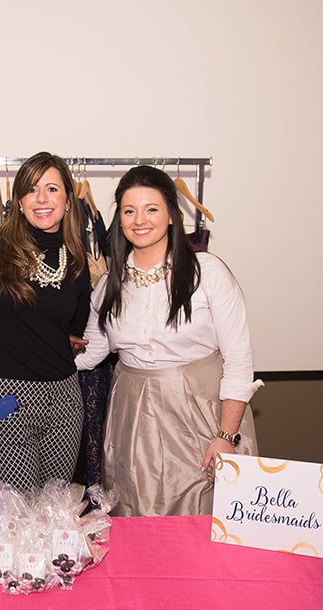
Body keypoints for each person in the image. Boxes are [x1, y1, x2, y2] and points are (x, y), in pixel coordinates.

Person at [75, 165, 261, 516]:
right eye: (129, 211)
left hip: (201, 414)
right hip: (133, 417)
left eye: (151, 209)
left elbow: (239, 361)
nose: (139, 220)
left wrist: (227, 435)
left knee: (203, 511)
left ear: (172, 216)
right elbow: (90, 353)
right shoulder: (109, 286)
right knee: (139, 513)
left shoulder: (207, 272)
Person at [0, 152, 90, 490]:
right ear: (19, 200)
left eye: (52, 189)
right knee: (18, 514)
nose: (41, 199)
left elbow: (74, 331)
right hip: (5, 399)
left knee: (55, 513)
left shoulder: (78, 259)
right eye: (31, 189)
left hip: (64, 400)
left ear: (68, 199)